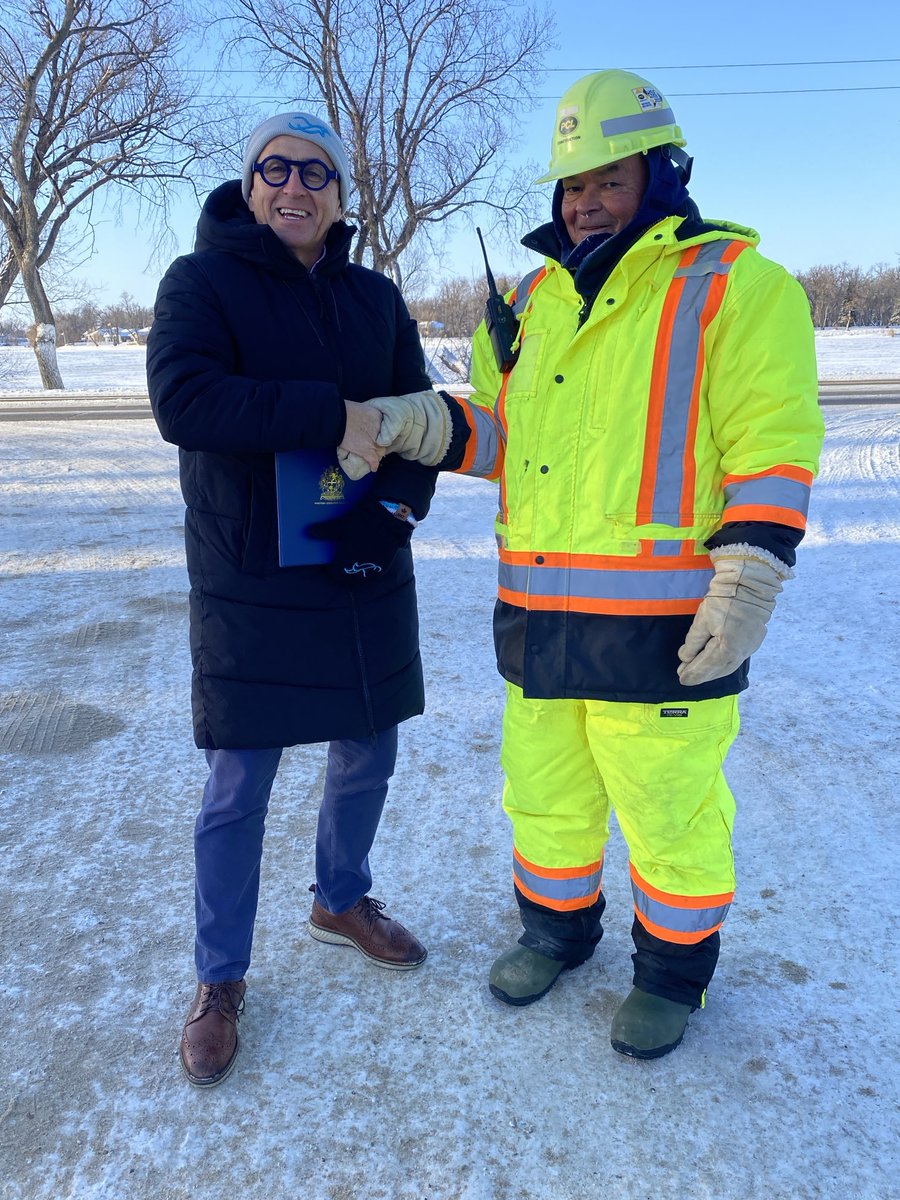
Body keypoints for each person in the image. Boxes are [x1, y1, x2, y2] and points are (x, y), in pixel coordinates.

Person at [348, 70, 825, 1059]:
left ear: (661, 173)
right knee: (544, 799)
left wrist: (750, 575)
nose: (587, 203)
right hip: (538, 623)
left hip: (665, 634)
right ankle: (555, 934)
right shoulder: (534, 300)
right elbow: (501, 434)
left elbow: (773, 444)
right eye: (573, 185)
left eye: (609, 179)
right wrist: (413, 421)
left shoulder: (737, 286)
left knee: (670, 815)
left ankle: (671, 976)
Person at [146, 112, 444, 1087]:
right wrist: (333, 413)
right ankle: (219, 977)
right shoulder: (201, 282)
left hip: (360, 563)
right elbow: (185, 401)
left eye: (317, 172)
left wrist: (395, 511)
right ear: (250, 185)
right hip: (251, 574)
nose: (294, 186)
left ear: (341, 196)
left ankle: (339, 900)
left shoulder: (375, 297)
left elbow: (422, 419)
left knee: (369, 749)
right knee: (240, 783)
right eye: (275, 168)